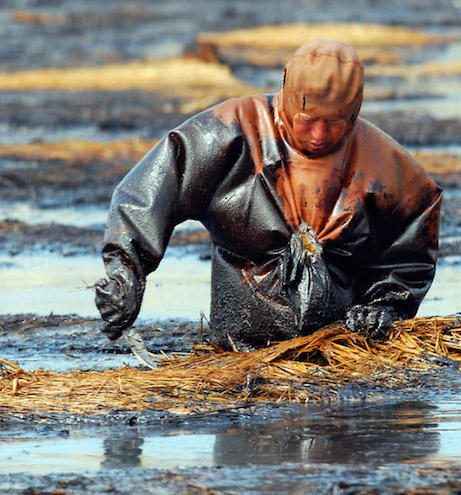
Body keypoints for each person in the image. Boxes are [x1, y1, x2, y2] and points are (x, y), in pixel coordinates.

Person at [95, 39, 442, 350]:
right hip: (237, 350)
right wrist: (126, 270)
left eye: (336, 122)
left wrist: (388, 307)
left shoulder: (386, 167)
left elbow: (411, 246)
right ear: (288, 95)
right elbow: (150, 191)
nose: (319, 134)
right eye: (307, 119)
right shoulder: (230, 133)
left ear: (356, 112)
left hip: (342, 351)